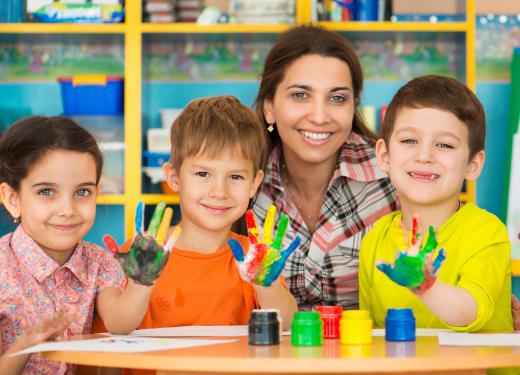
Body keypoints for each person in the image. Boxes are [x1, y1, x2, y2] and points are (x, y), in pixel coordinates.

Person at [253, 25, 398, 310]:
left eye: (337, 98)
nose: (319, 117)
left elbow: (446, 255)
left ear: (353, 106)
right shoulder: (242, 181)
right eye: (300, 95)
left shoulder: (393, 177)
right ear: (269, 106)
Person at [0, 116, 160, 374]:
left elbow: (118, 323)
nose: (67, 209)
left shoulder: (100, 262)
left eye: (82, 192)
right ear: (12, 198)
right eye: (46, 191)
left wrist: (142, 283)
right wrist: (27, 343)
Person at [359, 75, 513, 333]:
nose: (424, 155)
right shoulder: (373, 241)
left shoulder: (487, 232)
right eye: (409, 141)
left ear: (472, 165)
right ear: (384, 156)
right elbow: (372, 335)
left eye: (444, 144)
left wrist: (425, 285)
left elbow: (471, 311)